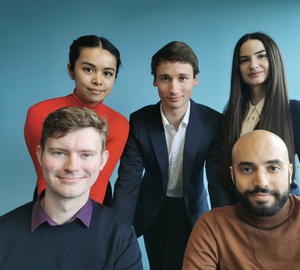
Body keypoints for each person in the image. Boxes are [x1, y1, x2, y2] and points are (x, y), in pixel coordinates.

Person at [111, 41, 232, 270]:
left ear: (195, 78)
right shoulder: (139, 121)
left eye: (183, 78)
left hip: (189, 212)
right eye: (165, 78)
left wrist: (226, 228)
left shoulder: (213, 122)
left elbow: (217, 181)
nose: (174, 89)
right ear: (155, 80)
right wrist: (118, 232)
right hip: (151, 212)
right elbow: (128, 181)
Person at [183, 130, 300, 270]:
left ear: (290, 173)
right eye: (247, 169)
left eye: (273, 168)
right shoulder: (212, 227)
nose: (261, 182)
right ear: (233, 175)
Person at [0, 107, 142, 270]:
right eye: (59, 153)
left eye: (86, 155)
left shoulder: (120, 236)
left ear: (103, 160)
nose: (72, 167)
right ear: (40, 155)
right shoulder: (3, 233)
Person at [220, 32, 300, 198]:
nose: (253, 65)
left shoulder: (296, 112)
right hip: (239, 215)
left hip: (285, 213)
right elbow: (225, 177)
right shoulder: (231, 115)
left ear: (273, 60)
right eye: (244, 60)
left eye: (261, 56)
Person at [24, 35, 129, 205]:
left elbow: (98, 184)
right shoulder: (39, 113)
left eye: (108, 73)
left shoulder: (119, 124)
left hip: (96, 201)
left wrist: (87, 227)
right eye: (88, 69)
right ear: (71, 70)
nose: (98, 80)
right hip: (51, 196)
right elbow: (46, 178)